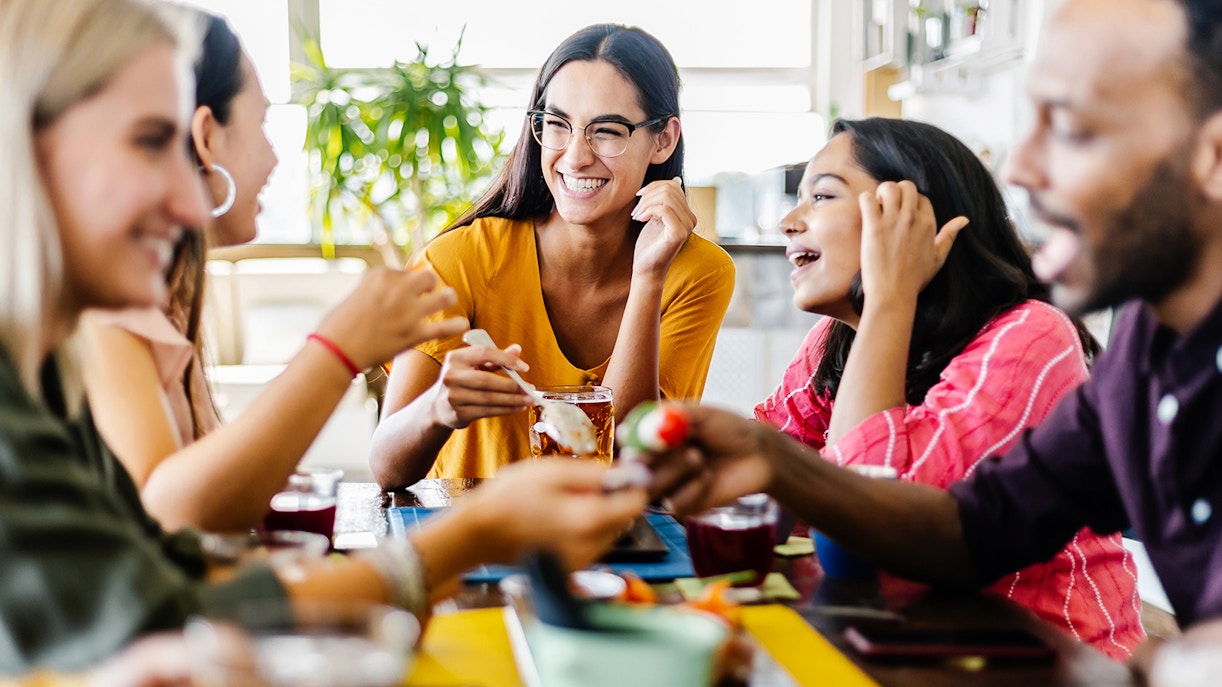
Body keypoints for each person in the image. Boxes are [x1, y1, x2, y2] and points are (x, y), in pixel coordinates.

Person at [0, 0, 647, 671]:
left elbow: (171, 591)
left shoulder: (44, 372)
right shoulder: (61, 360)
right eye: (147, 141)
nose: (193, 202)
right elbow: (167, 582)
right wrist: (339, 353)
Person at [636, 0, 1222, 676]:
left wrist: (888, 296)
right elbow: (971, 525)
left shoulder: (1034, 336)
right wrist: (771, 458)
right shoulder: (1151, 350)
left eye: (1070, 126)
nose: (1023, 169)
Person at [753, 117, 1141, 657]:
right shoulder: (836, 341)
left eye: (821, 196)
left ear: (914, 218)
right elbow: (759, 476)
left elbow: (875, 544)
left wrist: (889, 295)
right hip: (906, 646)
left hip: (1043, 663)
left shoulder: (1031, 335)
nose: (789, 222)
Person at [74, 9, 439, 533]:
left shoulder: (170, 298)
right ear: (206, 137)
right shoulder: (107, 308)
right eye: (262, 123)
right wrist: (337, 349)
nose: (274, 158)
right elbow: (170, 520)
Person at [368, 24, 736, 487]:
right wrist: (437, 407)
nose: (575, 156)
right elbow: (387, 468)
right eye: (558, 124)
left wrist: (648, 275)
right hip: (476, 543)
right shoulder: (461, 259)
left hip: (619, 549)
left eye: (607, 131)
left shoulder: (698, 272)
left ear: (663, 140)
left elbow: (630, 454)